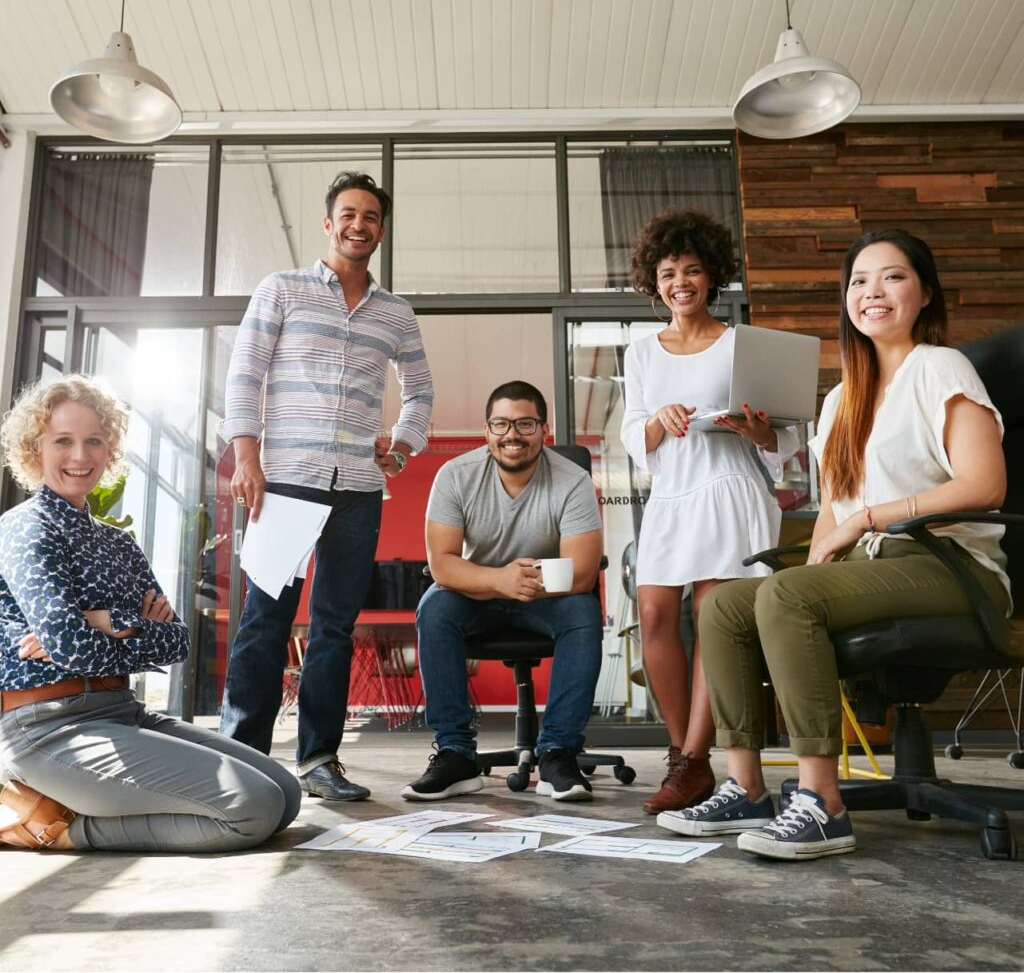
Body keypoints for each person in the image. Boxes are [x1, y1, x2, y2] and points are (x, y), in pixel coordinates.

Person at [659, 229, 1010, 860]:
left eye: (893, 277)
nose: (873, 291)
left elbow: (984, 484)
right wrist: (821, 552)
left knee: (788, 597)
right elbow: (834, 512)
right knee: (725, 603)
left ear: (925, 293)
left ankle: (823, 803)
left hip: (949, 564)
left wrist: (865, 521)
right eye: (859, 281)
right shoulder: (843, 396)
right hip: (876, 566)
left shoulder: (941, 366)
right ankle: (745, 786)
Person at [0, 375, 300, 852]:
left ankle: (74, 806)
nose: (80, 456)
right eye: (63, 441)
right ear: (35, 448)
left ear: (109, 449)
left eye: (94, 441)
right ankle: (50, 829)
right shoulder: (24, 529)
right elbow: (66, 641)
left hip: (122, 711)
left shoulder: (119, 543)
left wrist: (101, 622)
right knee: (252, 809)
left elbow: (177, 641)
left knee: (286, 795)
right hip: (47, 727)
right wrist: (119, 627)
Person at [219, 171, 433, 801]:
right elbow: (245, 373)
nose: (358, 224)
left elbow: (421, 388)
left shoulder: (395, 312)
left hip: (358, 490)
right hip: (283, 481)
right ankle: (242, 758)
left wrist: (403, 444)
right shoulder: (281, 290)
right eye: (348, 213)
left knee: (335, 627)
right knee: (266, 620)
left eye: (370, 216)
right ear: (328, 222)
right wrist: (246, 458)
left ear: (381, 230)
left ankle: (319, 760)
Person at [620, 209, 799, 815]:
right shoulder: (641, 352)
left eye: (692, 270)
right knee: (653, 612)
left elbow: (784, 435)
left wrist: (756, 430)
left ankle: (692, 762)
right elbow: (629, 432)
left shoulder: (742, 345)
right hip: (673, 492)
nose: (681, 282)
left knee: (712, 618)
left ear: (712, 276)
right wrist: (656, 421)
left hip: (731, 487)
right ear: (654, 281)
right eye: (668, 272)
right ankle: (684, 758)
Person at [402, 381, 605, 803]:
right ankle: (456, 754)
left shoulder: (573, 480)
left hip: (547, 599)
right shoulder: (455, 476)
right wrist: (498, 580)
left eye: (525, 423)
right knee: (434, 607)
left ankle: (557, 754)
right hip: (479, 596)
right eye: (502, 423)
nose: (513, 434)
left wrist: (520, 582)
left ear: (543, 431)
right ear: (487, 429)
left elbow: (583, 572)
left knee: (583, 610)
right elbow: (441, 564)